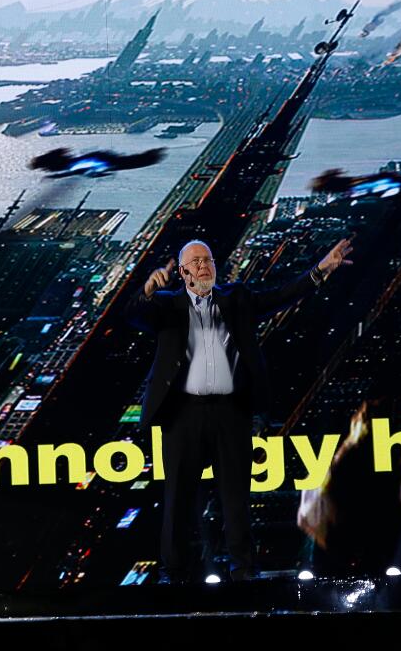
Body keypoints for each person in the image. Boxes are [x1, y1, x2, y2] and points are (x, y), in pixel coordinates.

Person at [126, 237, 353, 583]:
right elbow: (134, 315)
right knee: (178, 499)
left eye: (208, 260)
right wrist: (146, 291)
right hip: (183, 415)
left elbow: (280, 296)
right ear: (183, 273)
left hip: (230, 412)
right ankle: (174, 574)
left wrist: (320, 270)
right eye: (196, 262)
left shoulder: (237, 298)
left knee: (235, 497)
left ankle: (244, 571)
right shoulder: (166, 305)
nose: (204, 266)